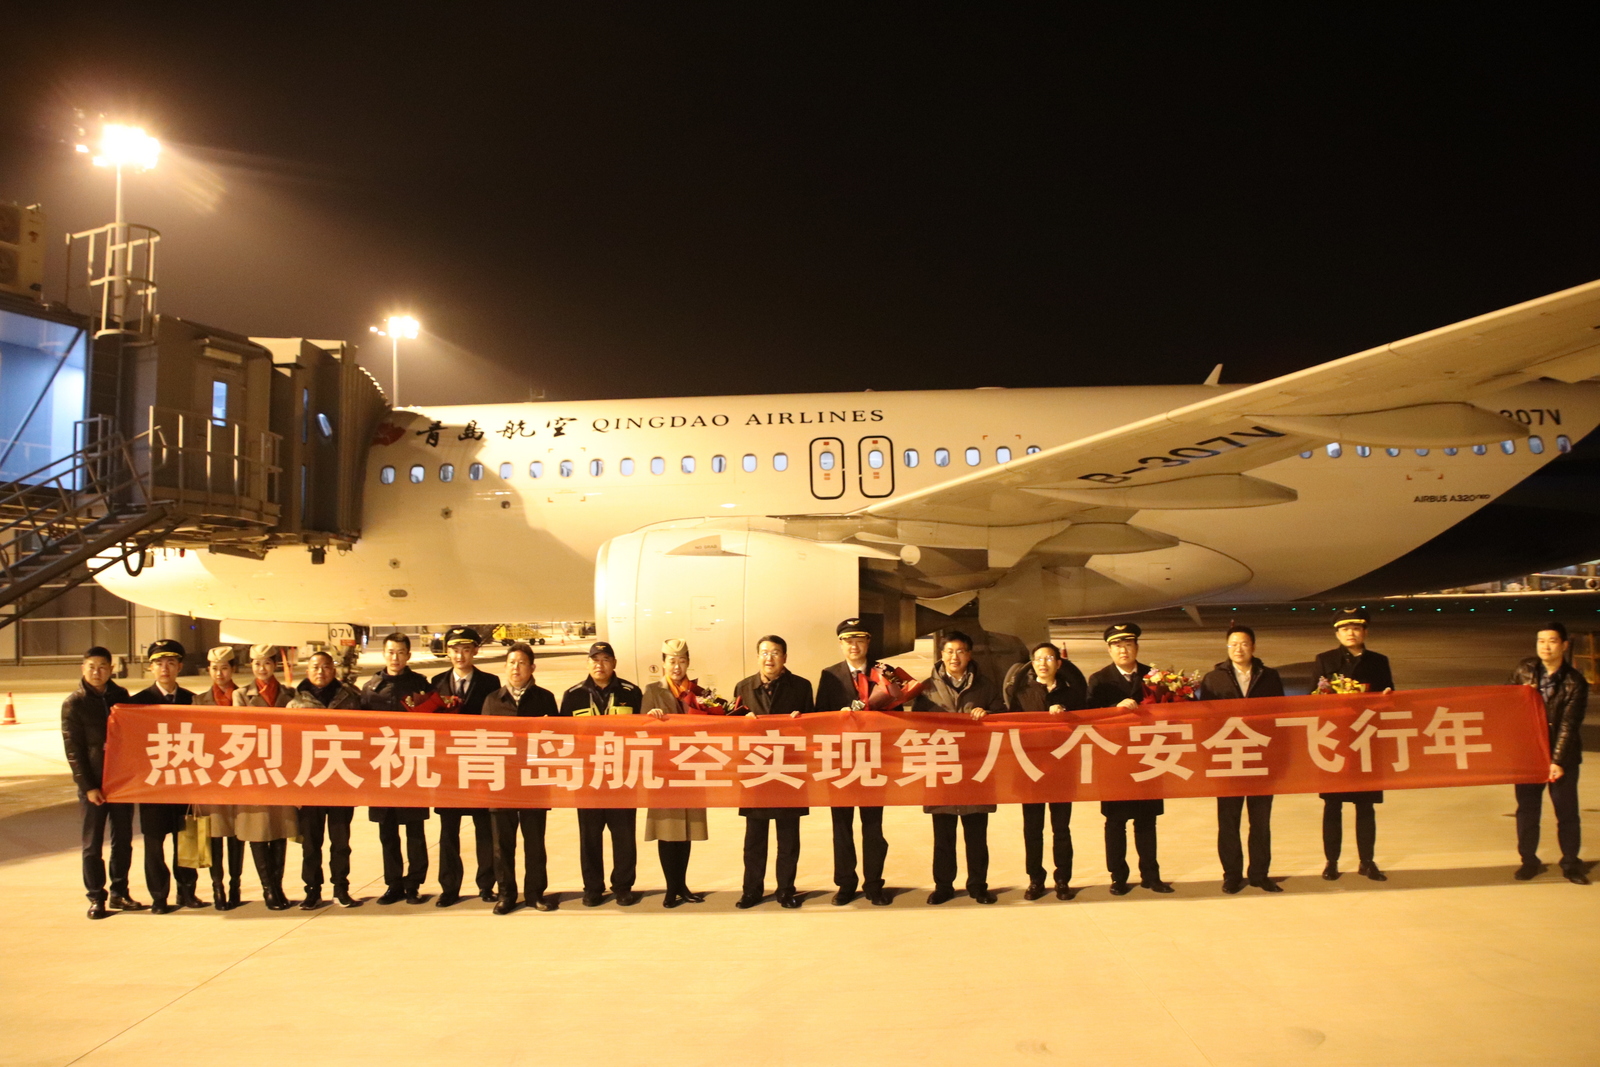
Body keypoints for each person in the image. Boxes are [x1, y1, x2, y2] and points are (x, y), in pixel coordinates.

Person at [815, 617, 912, 906]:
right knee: (841, 828)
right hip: (840, 762)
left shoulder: (885, 673)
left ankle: (873, 884)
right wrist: (838, 717)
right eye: (848, 640)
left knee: (873, 827)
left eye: (859, 639)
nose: (853, 645)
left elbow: (899, 715)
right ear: (840, 644)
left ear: (868, 642)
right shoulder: (829, 675)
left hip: (874, 761)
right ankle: (845, 884)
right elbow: (819, 717)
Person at [1085, 622, 1173, 895]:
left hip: (1147, 757)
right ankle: (1118, 877)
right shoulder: (1099, 680)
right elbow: (1089, 717)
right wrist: (1114, 709)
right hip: (1115, 760)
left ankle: (1151, 875)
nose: (1123, 650)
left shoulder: (1154, 677)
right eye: (1117, 646)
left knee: (1147, 821)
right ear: (1109, 650)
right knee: (1115, 822)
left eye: (1128, 644)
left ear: (1136, 647)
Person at [913, 631, 1000, 904]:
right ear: (941, 655)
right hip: (942, 769)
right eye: (949, 651)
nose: (955, 657)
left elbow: (1003, 715)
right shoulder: (927, 688)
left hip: (976, 769)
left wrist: (989, 715)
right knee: (943, 835)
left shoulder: (985, 685)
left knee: (977, 835)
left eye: (960, 651)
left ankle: (978, 885)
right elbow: (916, 725)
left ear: (969, 655)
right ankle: (943, 886)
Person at [1198, 625, 1286, 894]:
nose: (1239, 649)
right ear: (1227, 647)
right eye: (1233, 644)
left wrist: (1281, 757)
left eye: (1244, 644)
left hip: (1261, 759)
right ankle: (1231, 875)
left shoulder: (1269, 677)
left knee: (1260, 821)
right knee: (1228, 821)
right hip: (1228, 758)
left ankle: (1260, 874)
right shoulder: (1214, 678)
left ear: (1253, 647)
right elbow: (1205, 721)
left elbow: (1280, 716)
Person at [558, 640, 644, 906]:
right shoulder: (573, 695)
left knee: (624, 836)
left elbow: (645, 733)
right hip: (588, 779)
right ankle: (592, 887)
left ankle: (623, 886)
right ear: (588, 663)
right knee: (590, 838)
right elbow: (562, 737)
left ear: (614, 663)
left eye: (606, 659)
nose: (600, 664)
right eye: (595, 659)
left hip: (622, 777)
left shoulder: (632, 692)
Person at [732, 634, 816, 908]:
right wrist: (742, 723)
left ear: (785, 657)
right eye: (765, 652)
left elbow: (814, 729)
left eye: (776, 652)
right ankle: (751, 890)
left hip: (789, 770)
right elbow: (732, 732)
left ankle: (786, 890)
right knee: (754, 838)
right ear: (758, 656)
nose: (769, 658)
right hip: (755, 771)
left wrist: (801, 722)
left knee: (788, 838)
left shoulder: (801, 686)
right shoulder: (743, 687)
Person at [61, 646, 142, 919]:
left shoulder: (121, 696)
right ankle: (96, 896)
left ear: (111, 669)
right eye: (92, 667)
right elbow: (73, 750)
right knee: (92, 844)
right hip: (94, 785)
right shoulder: (74, 704)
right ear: (83, 668)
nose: (97, 672)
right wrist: (88, 787)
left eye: (102, 667)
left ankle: (120, 891)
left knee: (123, 840)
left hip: (121, 783)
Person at [1315, 608, 1394, 881]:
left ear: (1365, 632)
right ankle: (1331, 861)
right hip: (1335, 742)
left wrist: (1387, 697)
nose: (1350, 633)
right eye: (1344, 629)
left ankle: (1367, 861)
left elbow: (1390, 696)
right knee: (1332, 806)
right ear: (1336, 633)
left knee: (1365, 806)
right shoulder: (1325, 660)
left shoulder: (1379, 661)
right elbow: (1313, 697)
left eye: (1356, 628)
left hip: (1366, 740)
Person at [127, 639, 204, 913]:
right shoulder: (137, 704)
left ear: (180, 667)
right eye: (159, 663)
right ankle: (159, 896)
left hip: (185, 783)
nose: (165, 668)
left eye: (171, 663)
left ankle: (187, 892)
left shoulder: (192, 701)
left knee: (187, 839)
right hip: (153, 786)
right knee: (154, 844)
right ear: (150, 668)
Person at [1005, 641, 1086, 901]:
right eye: (1038, 658)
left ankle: (1062, 879)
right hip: (1031, 771)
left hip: (1062, 770)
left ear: (1058, 664)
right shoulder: (1021, 693)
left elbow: (1086, 724)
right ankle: (1035, 880)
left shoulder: (1071, 693)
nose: (1043, 663)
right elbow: (1012, 727)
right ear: (1032, 663)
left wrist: (1066, 715)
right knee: (1032, 830)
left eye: (1049, 658)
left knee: (1061, 829)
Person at [1509, 623, 1589, 884]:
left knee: (1566, 812)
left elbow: (1569, 725)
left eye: (1552, 641)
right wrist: (1523, 695)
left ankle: (1571, 863)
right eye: (1541, 641)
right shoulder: (1524, 670)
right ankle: (1528, 861)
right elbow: (1505, 703)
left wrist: (1557, 761)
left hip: (1562, 757)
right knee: (1527, 811)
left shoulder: (1575, 682)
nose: (1545, 646)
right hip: (1529, 755)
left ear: (1564, 645)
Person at [484, 641, 559, 913]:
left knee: (534, 842)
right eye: (512, 663)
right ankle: (506, 894)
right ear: (505, 667)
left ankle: (535, 893)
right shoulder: (493, 700)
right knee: (502, 844)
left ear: (532, 668)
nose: (516, 668)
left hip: (533, 780)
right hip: (501, 781)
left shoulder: (545, 699)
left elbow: (556, 741)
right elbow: (483, 741)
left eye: (522, 663)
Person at [430, 625, 501, 907]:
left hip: (479, 764)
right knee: (448, 831)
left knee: (485, 830)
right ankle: (449, 888)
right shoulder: (436, 682)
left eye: (466, 650)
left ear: (475, 651)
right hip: (448, 768)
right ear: (447, 653)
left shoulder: (490, 682)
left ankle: (486, 885)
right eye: (455, 650)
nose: (460, 655)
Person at [361, 632, 434, 904]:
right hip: (382, 768)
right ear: (384, 654)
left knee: (415, 830)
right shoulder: (370, 688)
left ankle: (414, 883)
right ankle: (393, 884)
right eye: (391, 652)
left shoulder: (420, 685)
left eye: (400, 652)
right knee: (387, 831)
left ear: (408, 655)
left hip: (412, 765)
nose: (395, 657)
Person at [640, 638, 712, 908]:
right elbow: (641, 729)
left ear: (688, 662)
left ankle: (682, 885)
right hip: (664, 772)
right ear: (663, 663)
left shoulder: (701, 692)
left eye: (682, 661)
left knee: (686, 831)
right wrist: (650, 717)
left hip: (691, 770)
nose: (677, 666)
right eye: (671, 661)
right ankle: (671, 889)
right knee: (667, 831)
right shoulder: (652, 691)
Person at [230, 644, 302, 910]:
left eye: (267, 663)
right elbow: (241, 731)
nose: (262, 668)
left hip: (282, 770)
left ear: (275, 665)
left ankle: (278, 886)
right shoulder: (241, 695)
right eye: (257, 664)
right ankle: (268, 889)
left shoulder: (289, 694)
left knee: (280, 828)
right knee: (259, 829)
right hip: (255, 769)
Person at [292, 650, 365, 908]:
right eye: (315, 667)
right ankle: (312, 890)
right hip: (310, 782)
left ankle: (341, 887)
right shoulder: (295, 703)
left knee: (341, 841)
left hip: (341, 779)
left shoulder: (350, 698)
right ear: (307, 671)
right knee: (311, 844)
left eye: (325, 667)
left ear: (333, 670)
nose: (320, 672)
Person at [195, 646, 246, 910]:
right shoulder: (198, 701)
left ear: (233, 669)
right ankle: (218, 886)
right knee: (215, 833)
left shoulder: (244, 697)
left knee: (237, 834)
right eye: (214, 669)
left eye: (224, 668)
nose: (219, 673)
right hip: (212, 777)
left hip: (239, 775)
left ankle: (235, 884)